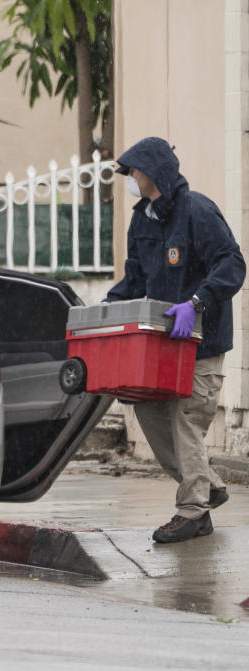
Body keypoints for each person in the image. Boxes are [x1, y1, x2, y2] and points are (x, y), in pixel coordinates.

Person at [106, 136, 246, 543]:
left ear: (154, 172)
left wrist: (197, 302)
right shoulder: (142, 220)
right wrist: (102, 308)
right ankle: (208, 485)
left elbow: (232, 263)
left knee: (186, 420)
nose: (130, 177)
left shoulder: (197, 211)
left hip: (200, 341)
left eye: (134, 170)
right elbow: (134, 280)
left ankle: (193, 513)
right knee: (149, 413)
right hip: (160, 345)